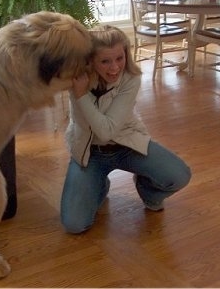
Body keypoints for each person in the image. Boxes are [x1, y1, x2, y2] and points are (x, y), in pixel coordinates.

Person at [60, 25, 191, 234]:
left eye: (119, 58)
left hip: (127, 144)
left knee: (180, 175)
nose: (114, 68)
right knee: (74, 224)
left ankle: (148, 192)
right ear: (90, 60)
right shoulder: (74, 77)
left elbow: (107, 131)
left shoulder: (131, 78)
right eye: (105, 61)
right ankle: (100, 185)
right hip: (90, 152)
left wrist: (81, 96)